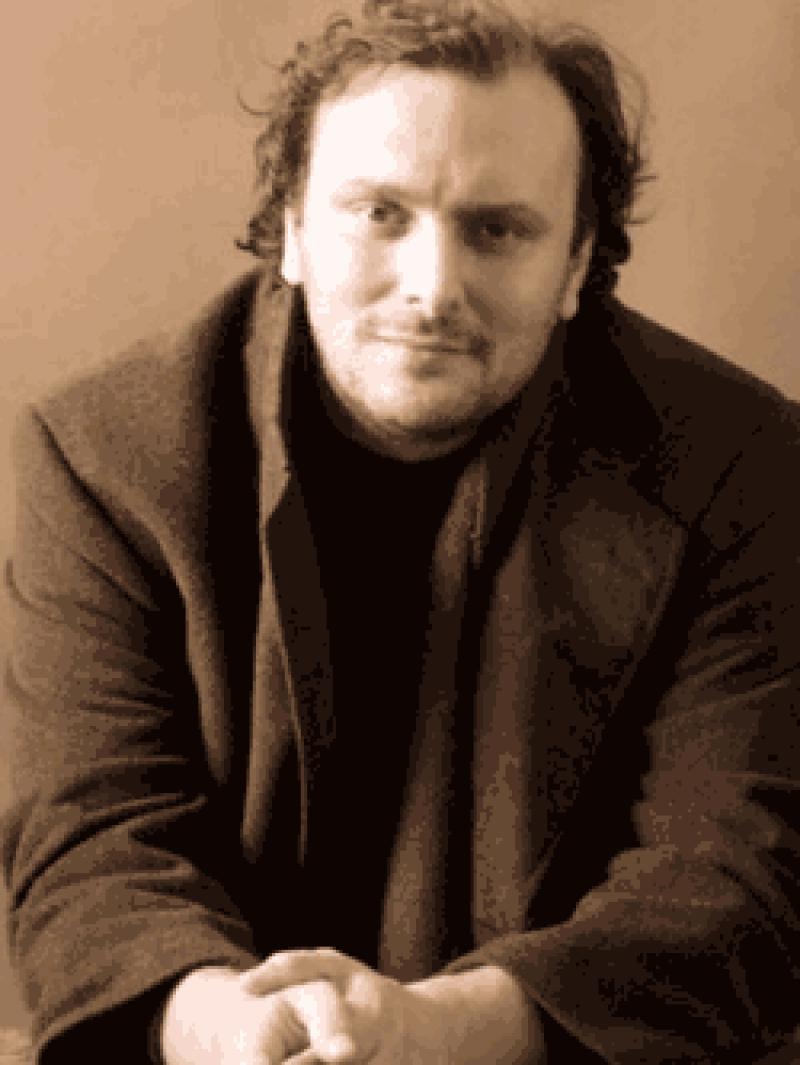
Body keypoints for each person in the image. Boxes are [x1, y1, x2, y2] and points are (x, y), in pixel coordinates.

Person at [3, 0, 800, 1061]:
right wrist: (231, 1028)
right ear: (292, 228)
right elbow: (91, 839)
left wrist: (438, 1032)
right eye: (380, 212)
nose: (432, 289)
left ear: (576, 264)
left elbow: (738, 873)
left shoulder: (743, 459)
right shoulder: (101, 456)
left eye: (497, 229)